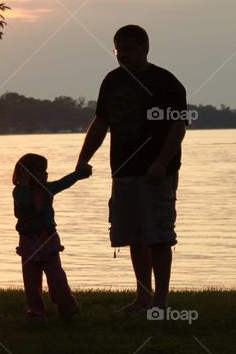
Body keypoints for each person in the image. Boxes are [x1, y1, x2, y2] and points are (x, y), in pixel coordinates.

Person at [76, 24, 188, 313]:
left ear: (144, 48)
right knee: (133, 235)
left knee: (159, 235)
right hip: (123, 170)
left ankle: (161, 301)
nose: (122, 55)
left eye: (128, 49)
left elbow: (178, 127)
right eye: (118, 50)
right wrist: (83, 158)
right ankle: (143, 297)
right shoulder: (112, 82)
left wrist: (161, 164)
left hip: (157, 172)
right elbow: (101, 122)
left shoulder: (166, 82)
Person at [12, 153, 91, 320]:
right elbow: (24, 203)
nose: (46, 174)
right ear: (27, 173)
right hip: (29, 241)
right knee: (31, 282)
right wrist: (25, 184)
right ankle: (36, 313)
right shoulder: (19, 192)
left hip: (48, 239)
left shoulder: (47, 188)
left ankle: (67, 306)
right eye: (42, 171)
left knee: (56, 277)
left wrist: (78, 174)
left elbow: (64, 183)